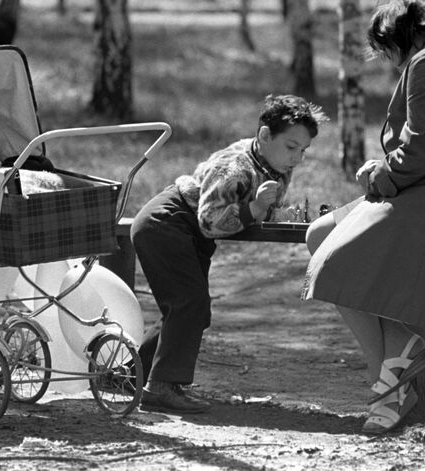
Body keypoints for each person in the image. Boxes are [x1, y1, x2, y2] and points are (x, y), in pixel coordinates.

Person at [301, 0, 425, 434]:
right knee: (319, 232)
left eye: (388, 52)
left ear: (404, 35)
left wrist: (378, 172)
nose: (393, 64)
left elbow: (421, 153)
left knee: (333, 261)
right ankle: (392, 373)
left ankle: (393, 384)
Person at [132, 94, 327, 414]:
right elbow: (210, 220)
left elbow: (261, 210)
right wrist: (255, 209)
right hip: (166, 224)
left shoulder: (275, 164)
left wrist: (275, 213)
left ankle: (131, 375)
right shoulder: (234, 166)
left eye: (303, 151)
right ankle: (162, 388)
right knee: (189, 305)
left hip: (189, 233)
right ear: (265, 136)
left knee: (190, 309)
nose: (298, 158)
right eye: (291, 147)